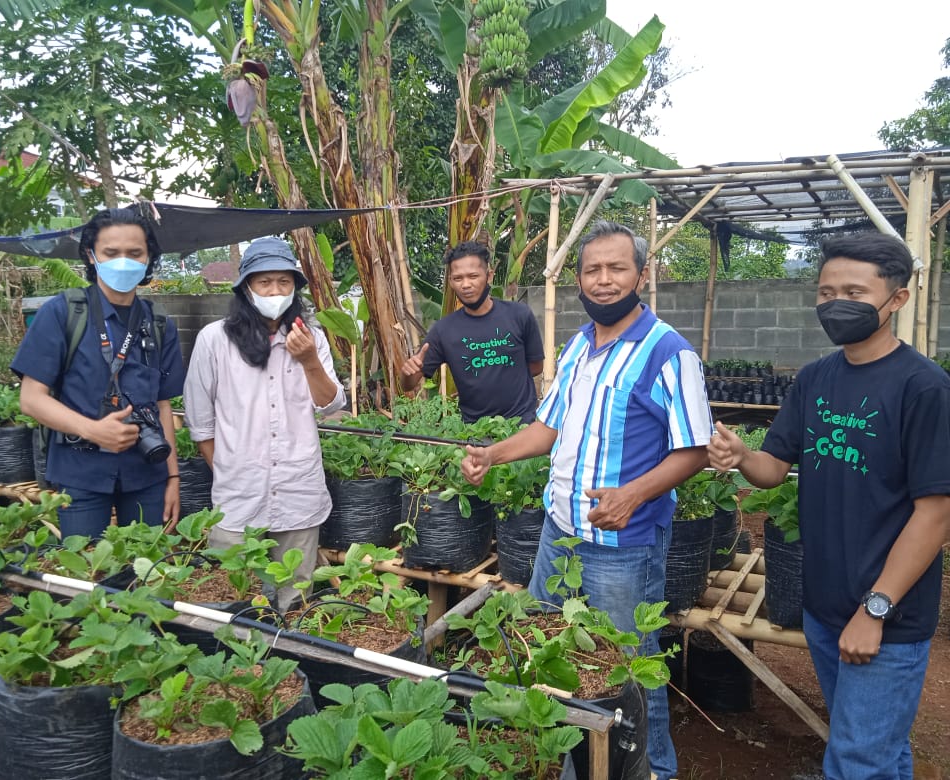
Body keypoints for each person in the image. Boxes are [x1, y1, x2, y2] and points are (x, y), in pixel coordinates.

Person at [461, 220, 712, 780]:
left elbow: (694, 449)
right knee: (554, 649)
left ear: (642, 275)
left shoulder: (668, 353)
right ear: (579, 278)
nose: (603, 280)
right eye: (592, 269)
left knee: (627, 667)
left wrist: (633, 493)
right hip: (561, 533)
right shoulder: (578, 346)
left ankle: (651, 770)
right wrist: (492, 454)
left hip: (623, 544)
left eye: (616, 268)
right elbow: (548, 428)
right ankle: (577, 763)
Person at [708, 233, 950, 780]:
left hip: (887, 614)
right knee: (872, 746)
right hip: (824, 604)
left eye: (854, 291)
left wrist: (875, 610)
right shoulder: (816, 378)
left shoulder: (925, 389)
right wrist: (743, 454)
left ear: (897, 299)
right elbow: (774, 469)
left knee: (856, 760)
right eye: (826, 291)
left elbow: (936, 514)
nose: (835, 302)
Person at [183, 236, 346, 612]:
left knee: (296, 600)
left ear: (295, 288)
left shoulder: (312, 339)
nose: (275, 290)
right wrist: (231, 471)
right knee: (232, 602)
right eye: (264, 282)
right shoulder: (214, 341)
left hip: (298, 494)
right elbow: (201, 425)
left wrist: (309, 361)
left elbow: (330, 404)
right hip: (237, 503)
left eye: (284, 282)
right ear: (246, 288)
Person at [13, 205, 185, 539]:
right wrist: (93, 430)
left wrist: (173, 478)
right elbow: (32, 399)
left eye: (135, 253)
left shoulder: (160, 325)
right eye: (112, 252)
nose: (124, 260)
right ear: (92, 256)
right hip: (80, 473)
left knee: (149, 574)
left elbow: (163, 406)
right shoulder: (63, 313)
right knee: (87, 572)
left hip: (147, 473)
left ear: (149, 258)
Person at [401, 241, 544, 423]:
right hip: (474, 431)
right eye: (458, 278)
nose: (465, 284)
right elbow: (410, 384)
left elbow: (536, 367)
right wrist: (407, 373)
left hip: (522, 426)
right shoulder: (444, 330)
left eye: (473, 276)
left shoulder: (519, 315)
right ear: (451, 281)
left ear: (489, 275)